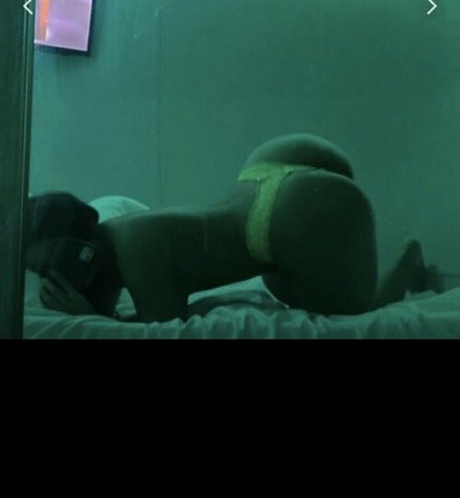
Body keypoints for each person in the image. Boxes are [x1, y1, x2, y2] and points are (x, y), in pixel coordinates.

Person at [25, 132, 447, 324]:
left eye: (55, 263)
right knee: (296, 288)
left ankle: (406, 263)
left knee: (353, 317)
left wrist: (88, 317)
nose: (56, 277)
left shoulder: (135, 255)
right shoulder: (121, 235)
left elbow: (158, 328)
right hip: (262, 180)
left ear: (83, 244)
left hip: (284, 217)